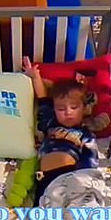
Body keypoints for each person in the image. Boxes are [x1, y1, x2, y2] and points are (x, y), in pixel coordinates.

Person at [23, 57, 99, 206]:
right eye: (61, 109)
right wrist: (35, 76)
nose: (68, 112)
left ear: (84, 108)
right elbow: (43, 99)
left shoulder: (84, 134)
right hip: (44, 177)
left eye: (74, 107)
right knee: (40, 210)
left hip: (69, 175)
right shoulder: (51, 123)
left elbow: (90, 160)